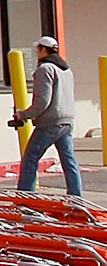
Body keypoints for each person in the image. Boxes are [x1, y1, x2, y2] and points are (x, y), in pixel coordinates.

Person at [20, 35, 85, 197]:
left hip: (49, 123)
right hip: (67, 121)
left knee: (30, 159)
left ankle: (25, 197)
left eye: (38, 49)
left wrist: (24, 114)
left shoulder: (45, 69)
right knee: (69, 161)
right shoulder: (66, 70)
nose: (36, 52)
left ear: (43, 50)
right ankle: (76, 197)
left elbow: (42, 101)